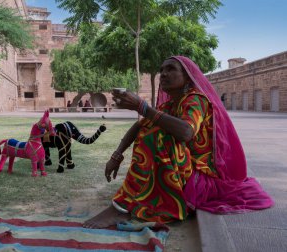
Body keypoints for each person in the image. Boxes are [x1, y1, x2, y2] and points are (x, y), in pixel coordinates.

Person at [83, 56, 274, 229]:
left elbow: (185, 132)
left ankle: (122, 207)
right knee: (150, 129)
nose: (164, 74)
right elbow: (138, 127)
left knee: (159, 136)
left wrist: (142, 106)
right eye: (162, 70)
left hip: (199, 179)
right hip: (183, 172)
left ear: (188, 76)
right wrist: (116, 155)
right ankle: (134, 201)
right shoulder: (171, 104)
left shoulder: (196, 100)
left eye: (171, 69)